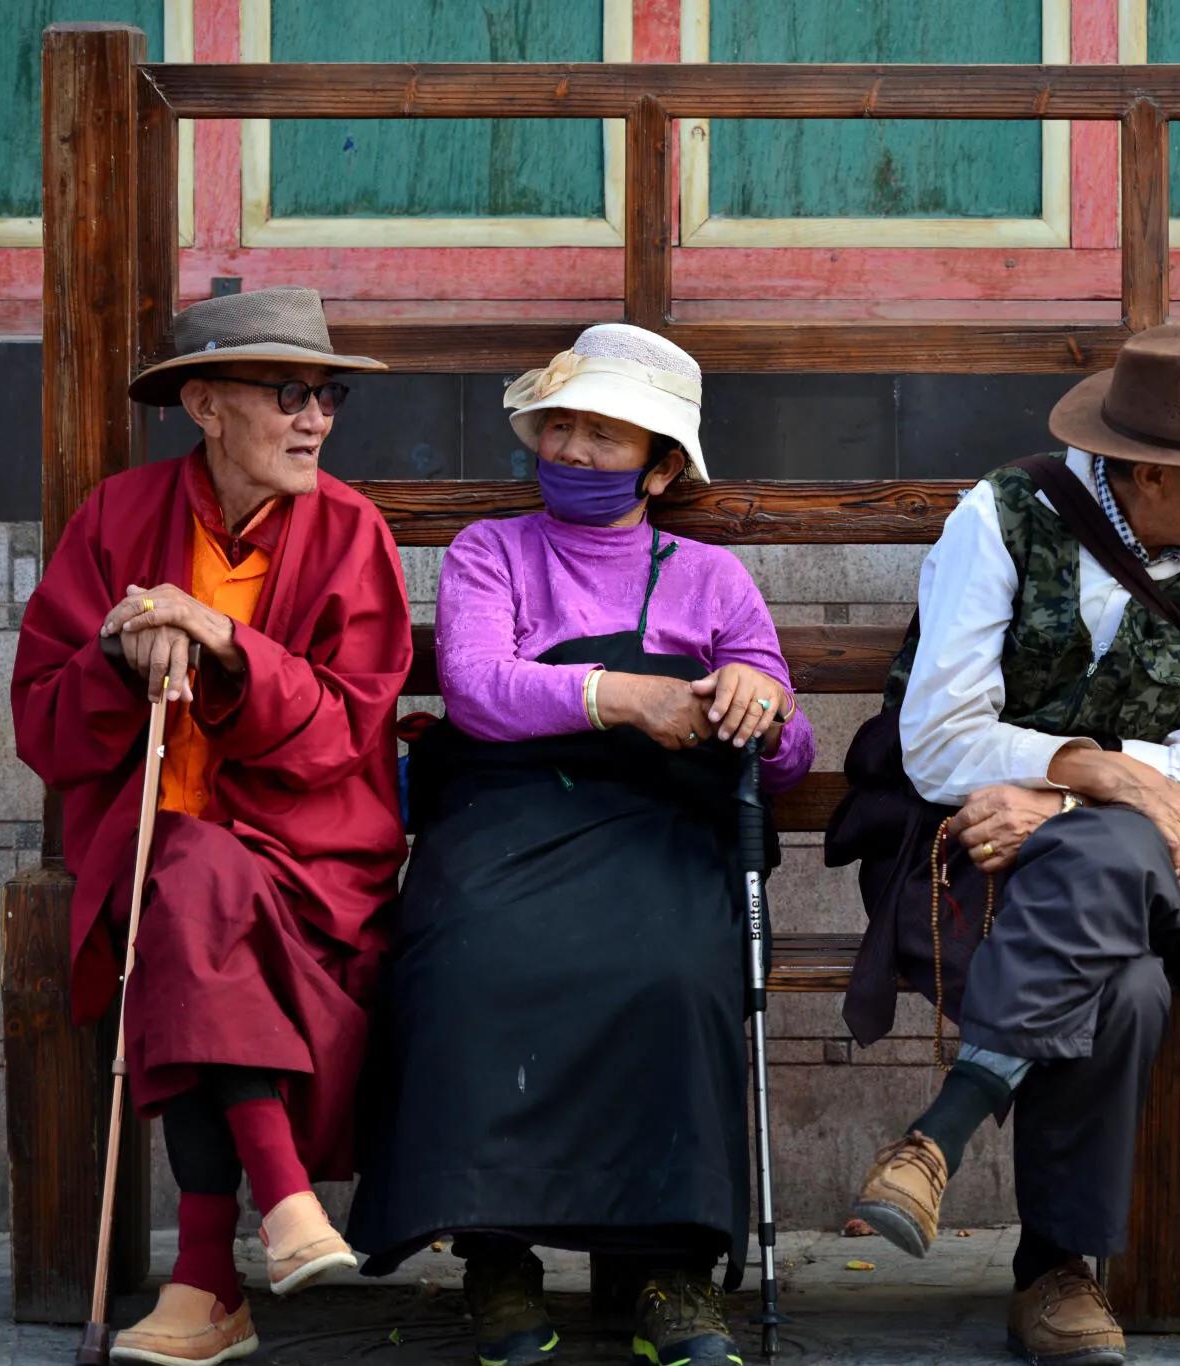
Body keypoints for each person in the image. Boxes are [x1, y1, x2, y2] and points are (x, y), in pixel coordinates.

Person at [827, 325, 1180, 1366]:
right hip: (967, 845)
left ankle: (938, 1137)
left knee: (1120, 889)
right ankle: (1055, 1271)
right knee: (1128, 981)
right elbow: (938, 738)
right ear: (1149, 471)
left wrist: (1065, 799)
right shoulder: (999, 518)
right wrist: (1099, 770)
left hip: (1114, 847)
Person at [345, 324, 814, 1366]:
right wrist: (620, 696)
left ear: (659, 466)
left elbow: (785, 757)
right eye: (559, 425)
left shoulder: (712, 581)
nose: (571, 450)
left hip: (663, 826)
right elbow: (476, 687)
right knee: (470, 958)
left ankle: (669, 1267)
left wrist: (763, 702)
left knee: (673, 972)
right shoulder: (489, 552)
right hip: (506, 812)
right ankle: (497, 1255)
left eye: (605, 435)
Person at [11, 287, 411, 1366]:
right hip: (146, 852)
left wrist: (227, 645)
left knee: (191, 893)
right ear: (205, 403)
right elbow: (41, 727)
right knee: (181, 877)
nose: (315, 419)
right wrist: (112, 653)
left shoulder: (350, 533)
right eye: (287, 392)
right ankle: (282, 1205)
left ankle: (205, 1272)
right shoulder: (118, 521)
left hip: (306, 865)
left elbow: (344, 732)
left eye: (326, 395)